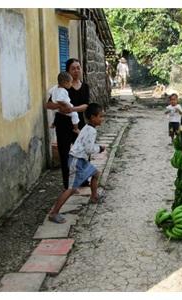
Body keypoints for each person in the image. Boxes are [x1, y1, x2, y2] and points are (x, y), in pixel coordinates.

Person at [48, 103, 106, 224]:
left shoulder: (87, 127)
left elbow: (85, 144)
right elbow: (89, 149)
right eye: (100, 116)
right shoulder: (91, 131)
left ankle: (94, 197)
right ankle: (54, 213)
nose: (102, 119)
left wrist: (95, 147)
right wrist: (99, 148)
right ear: (92, 117)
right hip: (77, 160)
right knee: (71, 189)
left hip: (80, 159)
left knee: (95, 173)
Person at [45, 58, 90, 190]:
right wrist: (59, 106)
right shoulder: (61, 87)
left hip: (78, 123)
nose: (76, 70)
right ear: (68, 71)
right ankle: (67, 184)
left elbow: (86, 105)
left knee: (81, 152)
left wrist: (72, 109)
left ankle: (83, 180)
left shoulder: (85, 86)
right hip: (62, 124)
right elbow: (48, 105)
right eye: (73, 68)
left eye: (78, 67)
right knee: (64, 154)